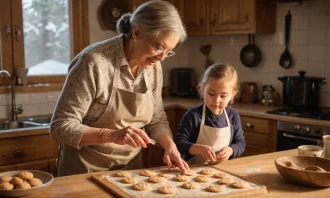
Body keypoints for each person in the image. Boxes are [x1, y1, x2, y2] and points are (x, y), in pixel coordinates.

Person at [50, 0, 189, 176]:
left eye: (168, 51)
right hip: (85, 171)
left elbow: (157, 118)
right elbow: (60, 127)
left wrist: (170, 147)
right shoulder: (93, 62)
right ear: (136, 32)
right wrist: (112, 135)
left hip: (130, 171)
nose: (161, 58)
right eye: (158, 47)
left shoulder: (153, 67)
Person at [174, 63, 246, 165]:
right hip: (192, 169)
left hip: (222, 170)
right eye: (211, 94)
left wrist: (231, 150)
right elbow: (179, 143)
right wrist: (199, 149)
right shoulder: (194, 115)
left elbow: (240, 143)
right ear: (203, 90)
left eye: (223, 96)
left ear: (232, 96)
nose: (216, 100)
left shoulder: (233, 116)